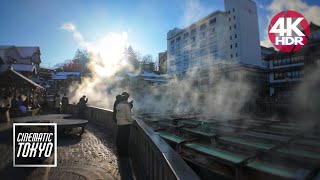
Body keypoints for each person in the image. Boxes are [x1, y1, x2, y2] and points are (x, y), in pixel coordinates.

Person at [116, 92, 134, 156]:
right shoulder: (126, 106)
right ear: (126, 99)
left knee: (121, 138)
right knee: (125, 139)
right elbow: (128, 116)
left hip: (120, 123)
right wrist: (132, 121)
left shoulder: (119, 105)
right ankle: (124, 153)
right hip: (126, 124)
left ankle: (120, 151)